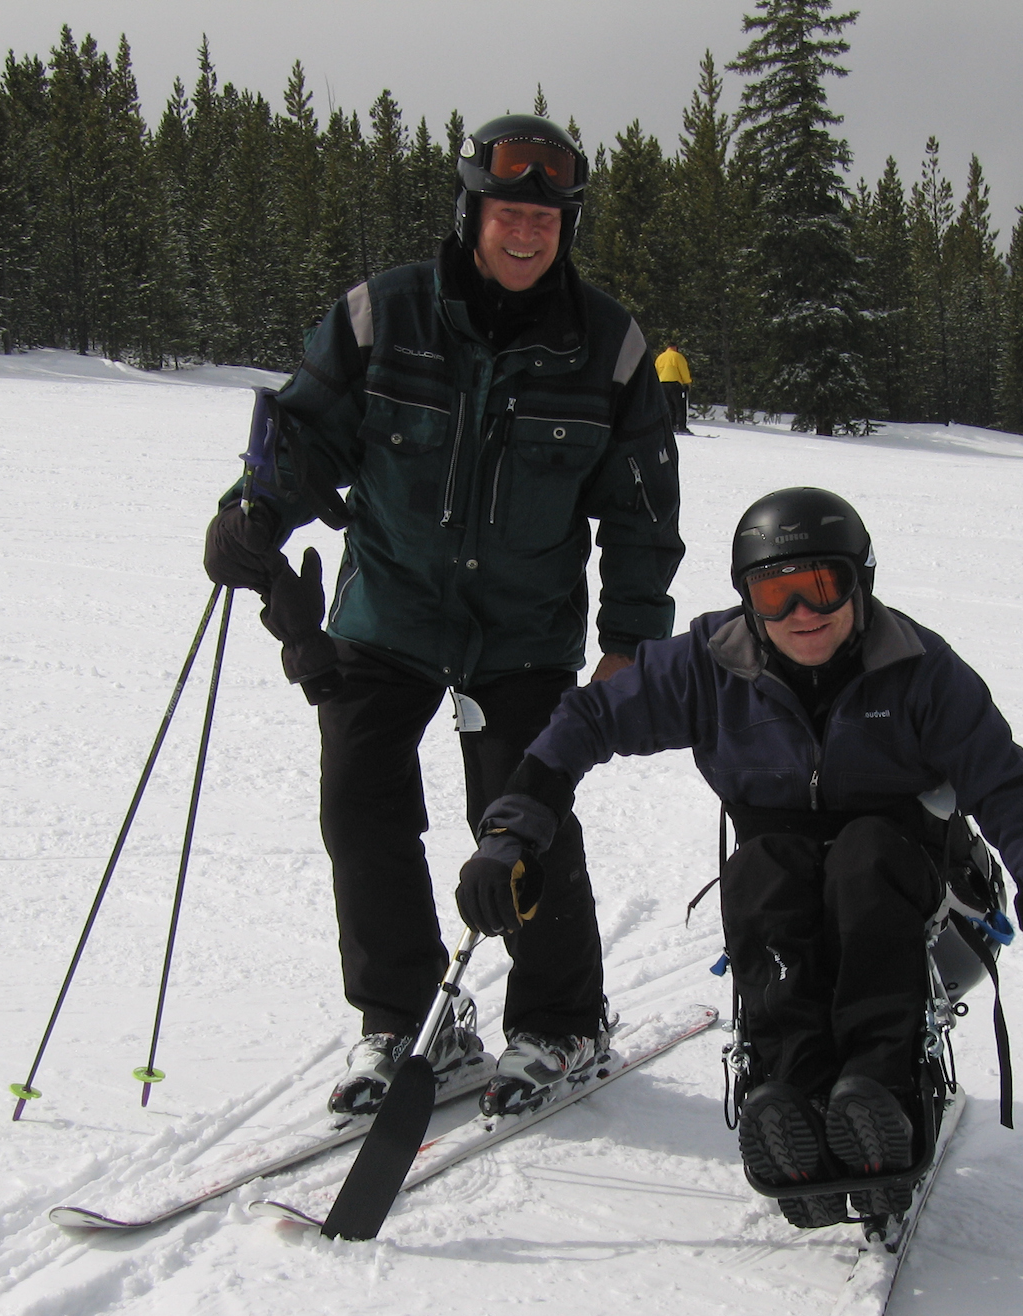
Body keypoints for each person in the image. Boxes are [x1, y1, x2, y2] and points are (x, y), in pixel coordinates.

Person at [454, 487, 1023, 1228]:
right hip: (784, 872)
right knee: (762, 869)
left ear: (859, 581)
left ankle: (881, 1089)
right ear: (747, 599)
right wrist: (512, 830)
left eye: (822, 585)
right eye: (775, 592)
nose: (801, 612)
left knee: (862, 856)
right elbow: (589, 717)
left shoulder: (921, 670)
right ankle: (789, 1097)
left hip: (915, 889)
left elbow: (1010, 797)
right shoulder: (712, 664)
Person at [202, 113, 685, 1120]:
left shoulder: (610, 346)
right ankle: (407, 1015)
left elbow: (642, 511)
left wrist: (629, 642)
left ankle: (561, 1022)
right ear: (472, 211)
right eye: (508, 211)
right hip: (389, 612)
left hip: (524, 631)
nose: (525, 233)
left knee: (519, 811)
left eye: (545, 219)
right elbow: (307, 429)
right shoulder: (382, 315)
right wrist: (255, 509)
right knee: (359, 797)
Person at [654, 342, 692, 435]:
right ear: (675, 347)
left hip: (662, 384)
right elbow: (683, 369)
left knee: (669, 406)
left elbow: (656, 371)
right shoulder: (677, 356)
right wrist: (687, 382)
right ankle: (681, 426)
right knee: (679, 406)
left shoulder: (660, 357)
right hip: (675, 383)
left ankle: (671, 426)